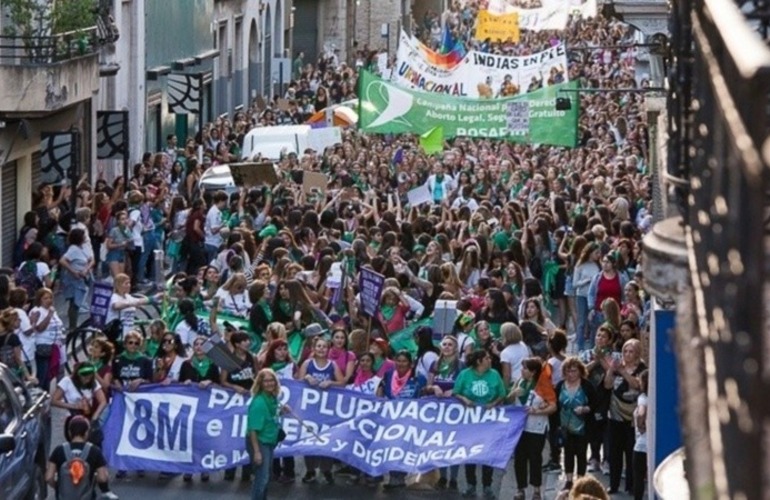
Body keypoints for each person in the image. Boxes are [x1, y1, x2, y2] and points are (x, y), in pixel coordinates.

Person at [453, 349, 506, 499]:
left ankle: (487, 486)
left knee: (487, 454)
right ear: (479, 361)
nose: (490, 360)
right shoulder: (465, 375)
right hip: (469, 422)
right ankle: (471, 485)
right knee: (471, 454)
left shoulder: (494, 374)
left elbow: (502, 394)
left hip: (489, 422)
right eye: (487, 358)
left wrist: (494, 403)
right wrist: (465, 400)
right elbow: (456, 392)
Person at [297, 336, 344, 485]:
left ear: (328, 349)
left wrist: (331, 382)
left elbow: (343, 383)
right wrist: (306, 378)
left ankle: (326, 470)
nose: (321, 349)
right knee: (309, 439)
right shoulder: (307, 363)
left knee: (326, 439)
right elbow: (297, 382)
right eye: (319, 346)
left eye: (324, 346)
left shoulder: (332, 365)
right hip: (310, 410)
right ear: (314, 348)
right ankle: (310, 470)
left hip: (327, 410)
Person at [377, 350, 427, 489]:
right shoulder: (388, 375)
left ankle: (399, 477)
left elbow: (424, 396)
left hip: (409, 419)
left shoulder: (418, 378)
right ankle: (394, 476)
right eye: (398, 360)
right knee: (392, 446)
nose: (401, 364)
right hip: (391, 417)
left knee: (403, 447)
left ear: (410, 363)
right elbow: (380, 390)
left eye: (404, 361)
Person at [509, 357, 556, 500]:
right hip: (519, 428)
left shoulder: (543, 385)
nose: (522, 371)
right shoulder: (519, 381)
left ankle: (536, 489)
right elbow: (509, 399)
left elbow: (553, 406)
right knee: (520, 458)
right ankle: (520, 489)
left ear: (533, 371)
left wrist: (538, 411)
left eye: (525, 369)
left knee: (535, 458)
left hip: (536, 427)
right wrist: (513, 394)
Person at [604, 338, 646, 494]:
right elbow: (608, 385)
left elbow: (638, 385)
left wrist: (623, 372)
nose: (627, 355)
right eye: (625, 351)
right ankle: (614, 485)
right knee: (615, 452)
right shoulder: (617, 366)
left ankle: (631, 485)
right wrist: (611, 370)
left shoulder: (642, 368)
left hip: (633, 416)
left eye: (631, 352)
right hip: (616, 414)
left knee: (631, 452)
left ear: (637, 353)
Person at [46, 416, 118, 500]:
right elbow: (102, 477)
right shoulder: (94, 451)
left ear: (69, 432)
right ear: (86, 432)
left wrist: (58, 486)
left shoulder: (59, 450)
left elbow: (48, 477)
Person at [179, 336, 220, 482]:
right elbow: (178, 385)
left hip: (207, 408)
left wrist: (210, 382)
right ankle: (189, 469)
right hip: (191, 407)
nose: (198, 347)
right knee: (190, 438)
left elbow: (220, 386)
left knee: (204, 438)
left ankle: (204, 468)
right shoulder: (186, 365)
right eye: (196, 344)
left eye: (202, 344)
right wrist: (186, 382)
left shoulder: (213, 365)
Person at [555, 357, 599, 492]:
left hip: (582, 427)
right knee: (567, 453)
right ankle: (568, 481)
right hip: (565, 426)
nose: (570, 374)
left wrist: (586, 409)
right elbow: (555, 404)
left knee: (581, 453)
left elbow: (595, 403)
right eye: (568, 371)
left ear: (580, 371)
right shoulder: (560, 385)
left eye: (574, 371)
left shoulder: (587, 385)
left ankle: (580, 482)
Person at [221, 331, 259, 481]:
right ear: (236, 344)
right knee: (233, 435)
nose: (247, 343)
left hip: (249, 400)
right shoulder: (228, 360)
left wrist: (254, 388)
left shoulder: (252, 358)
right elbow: (223, 381)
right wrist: (234, 387)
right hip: (233, 401)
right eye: (244, 341)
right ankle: (230, 470)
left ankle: (246, 470)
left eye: (248, 340)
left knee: (248, 435)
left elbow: (258, 376)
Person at [247, 368, 285, 500]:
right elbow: (253, 429)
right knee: (262, 478)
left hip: (269, 440)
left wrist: (281, 411)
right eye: (266, 381)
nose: (269, 383)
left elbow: (270, 416)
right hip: (259, 441)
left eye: (271, 380)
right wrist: (257, 452)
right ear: (260, 383)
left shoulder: (271, 398)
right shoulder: (259, 403)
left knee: (266, 476)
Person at [29, 287, 65, 391]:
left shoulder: (52, 310)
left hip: (54, 346)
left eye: (50, 298)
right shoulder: (37, 311)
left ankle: (46, 397)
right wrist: (49, 316)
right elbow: (39, 328)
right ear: (40, 299)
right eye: (45, 298)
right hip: (42, 347)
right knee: (42, 375)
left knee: (48, 376)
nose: (49, 300)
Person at [59, 227, 94, 330]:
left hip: (83, 277)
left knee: (78, 301)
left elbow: (92, 260)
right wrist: (73, 271)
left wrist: (86, 269)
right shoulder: (73, 249)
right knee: (74, 302)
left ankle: (73, 325)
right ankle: (72, 326)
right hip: (74, 279)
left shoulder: (84, 247)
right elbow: (62, 261)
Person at [633, 370, 649, 500]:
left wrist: (640, 425)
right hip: (654, 444)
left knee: (638, 477)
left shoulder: (643, 398)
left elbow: (641, 413)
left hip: (642, 445)